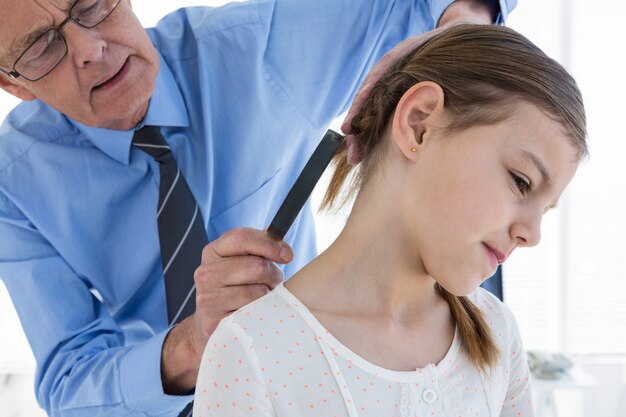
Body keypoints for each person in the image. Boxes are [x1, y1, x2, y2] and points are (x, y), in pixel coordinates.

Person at [0, 0, 513, 416]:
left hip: (323, 391)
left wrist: (459, 32)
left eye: (92, 4)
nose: (90, 49)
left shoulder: (255, 49)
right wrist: (192, 346)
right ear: (13, 83)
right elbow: (69, 383)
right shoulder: (14, 183)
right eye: (42, 47)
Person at [194, 24, 587, 417]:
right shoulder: (253, 350)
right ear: (419, 124)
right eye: (521, 182)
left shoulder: (498, 334)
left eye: (545, 210)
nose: (532, 234)